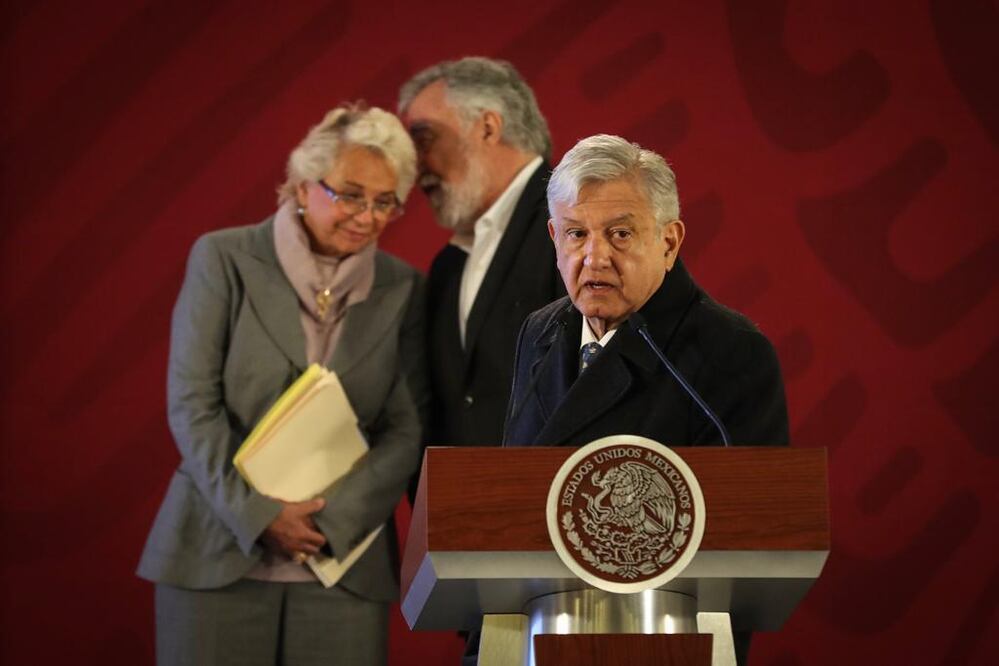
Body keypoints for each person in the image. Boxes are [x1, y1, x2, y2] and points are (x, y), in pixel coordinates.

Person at [137, 104, 426, 666]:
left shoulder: (404, 287)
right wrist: (259, 514)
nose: (367, 216)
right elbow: (193, 403)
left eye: (384, 201)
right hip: (216, 552)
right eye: (349, 193)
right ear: (300, 186)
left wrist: (325, 523)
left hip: (341, 568)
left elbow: (406, 426)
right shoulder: (223, 258)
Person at [503, 133, 788, 665]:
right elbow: (509, 501)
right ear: (553, 237)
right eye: (575, 234)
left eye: (620, 234)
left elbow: (749, 547)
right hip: (532, 636)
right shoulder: (539, 333)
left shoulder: (731, 353)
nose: (595, 256)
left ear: (670, 241)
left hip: (662, 643)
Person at [398, 56, 564, 448]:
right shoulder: (447, 267)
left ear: (488, 127)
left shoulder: (575, 226)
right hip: (463, 505)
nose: (414, 167)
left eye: (424, 139)